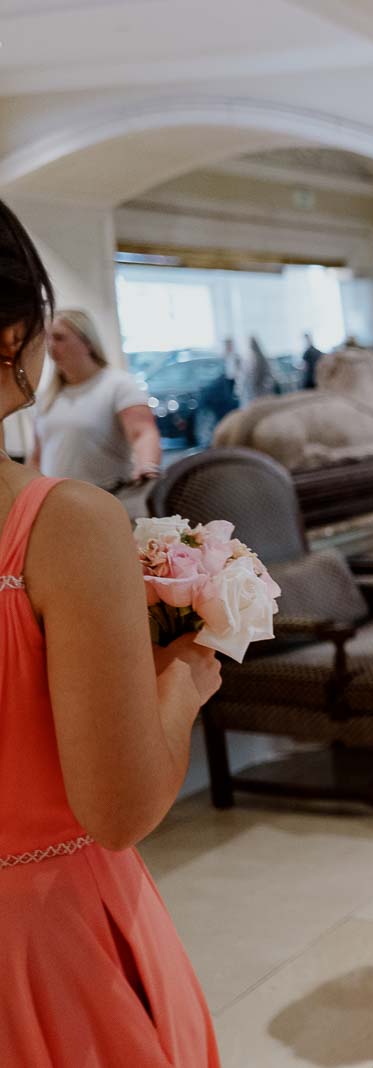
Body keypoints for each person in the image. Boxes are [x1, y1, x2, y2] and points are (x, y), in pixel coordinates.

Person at [0, 197, 222, 1065]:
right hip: (44, 948)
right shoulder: (59, 528)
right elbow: (120, 807)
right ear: (16, 330)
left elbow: (143, 441)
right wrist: (184, 677)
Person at [29, 309, 160, 490]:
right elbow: (37, 456)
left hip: (109, 497)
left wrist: (147, 466)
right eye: (47, 339)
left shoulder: (118, 384)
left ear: (87, 342)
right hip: (59, 501)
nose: (50, 346)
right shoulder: (47, 396)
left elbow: (142, 433)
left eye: (59, 338)